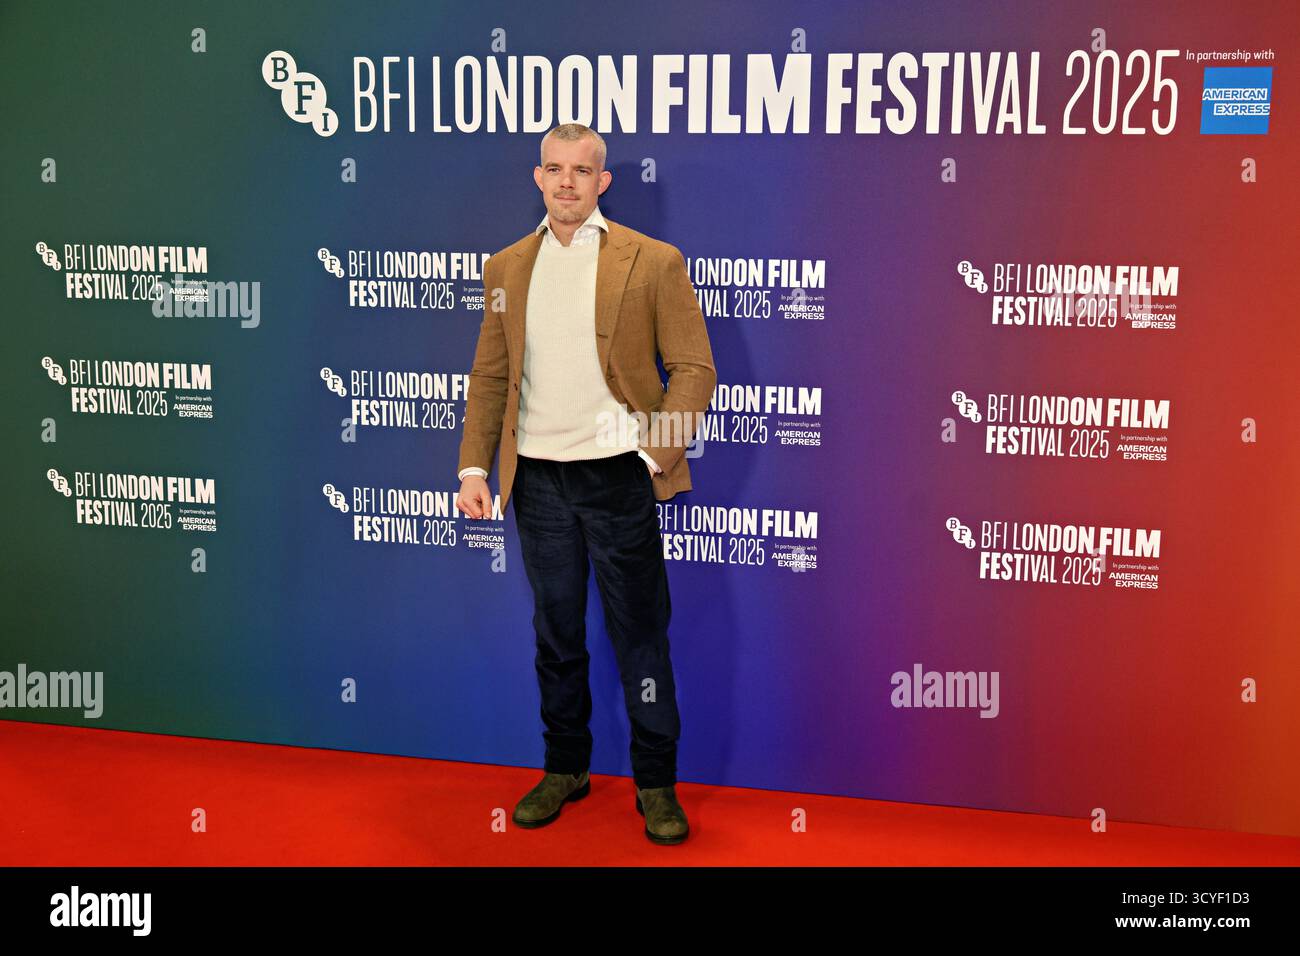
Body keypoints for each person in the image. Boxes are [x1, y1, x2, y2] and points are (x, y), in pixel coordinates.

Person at [454, 122, 716, 845]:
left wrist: (652, 455)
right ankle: (565, 766)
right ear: (538, 178)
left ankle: (656, 784)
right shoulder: (507, 266)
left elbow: (693, 369)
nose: (566, 181)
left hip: (617, 481)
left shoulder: (652, 260)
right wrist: (476, 466)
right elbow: (492, 375)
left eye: (582, 170)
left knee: (641, 639)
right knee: (556, 635)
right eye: (553, 168)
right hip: (536, 484)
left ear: (603, 182)